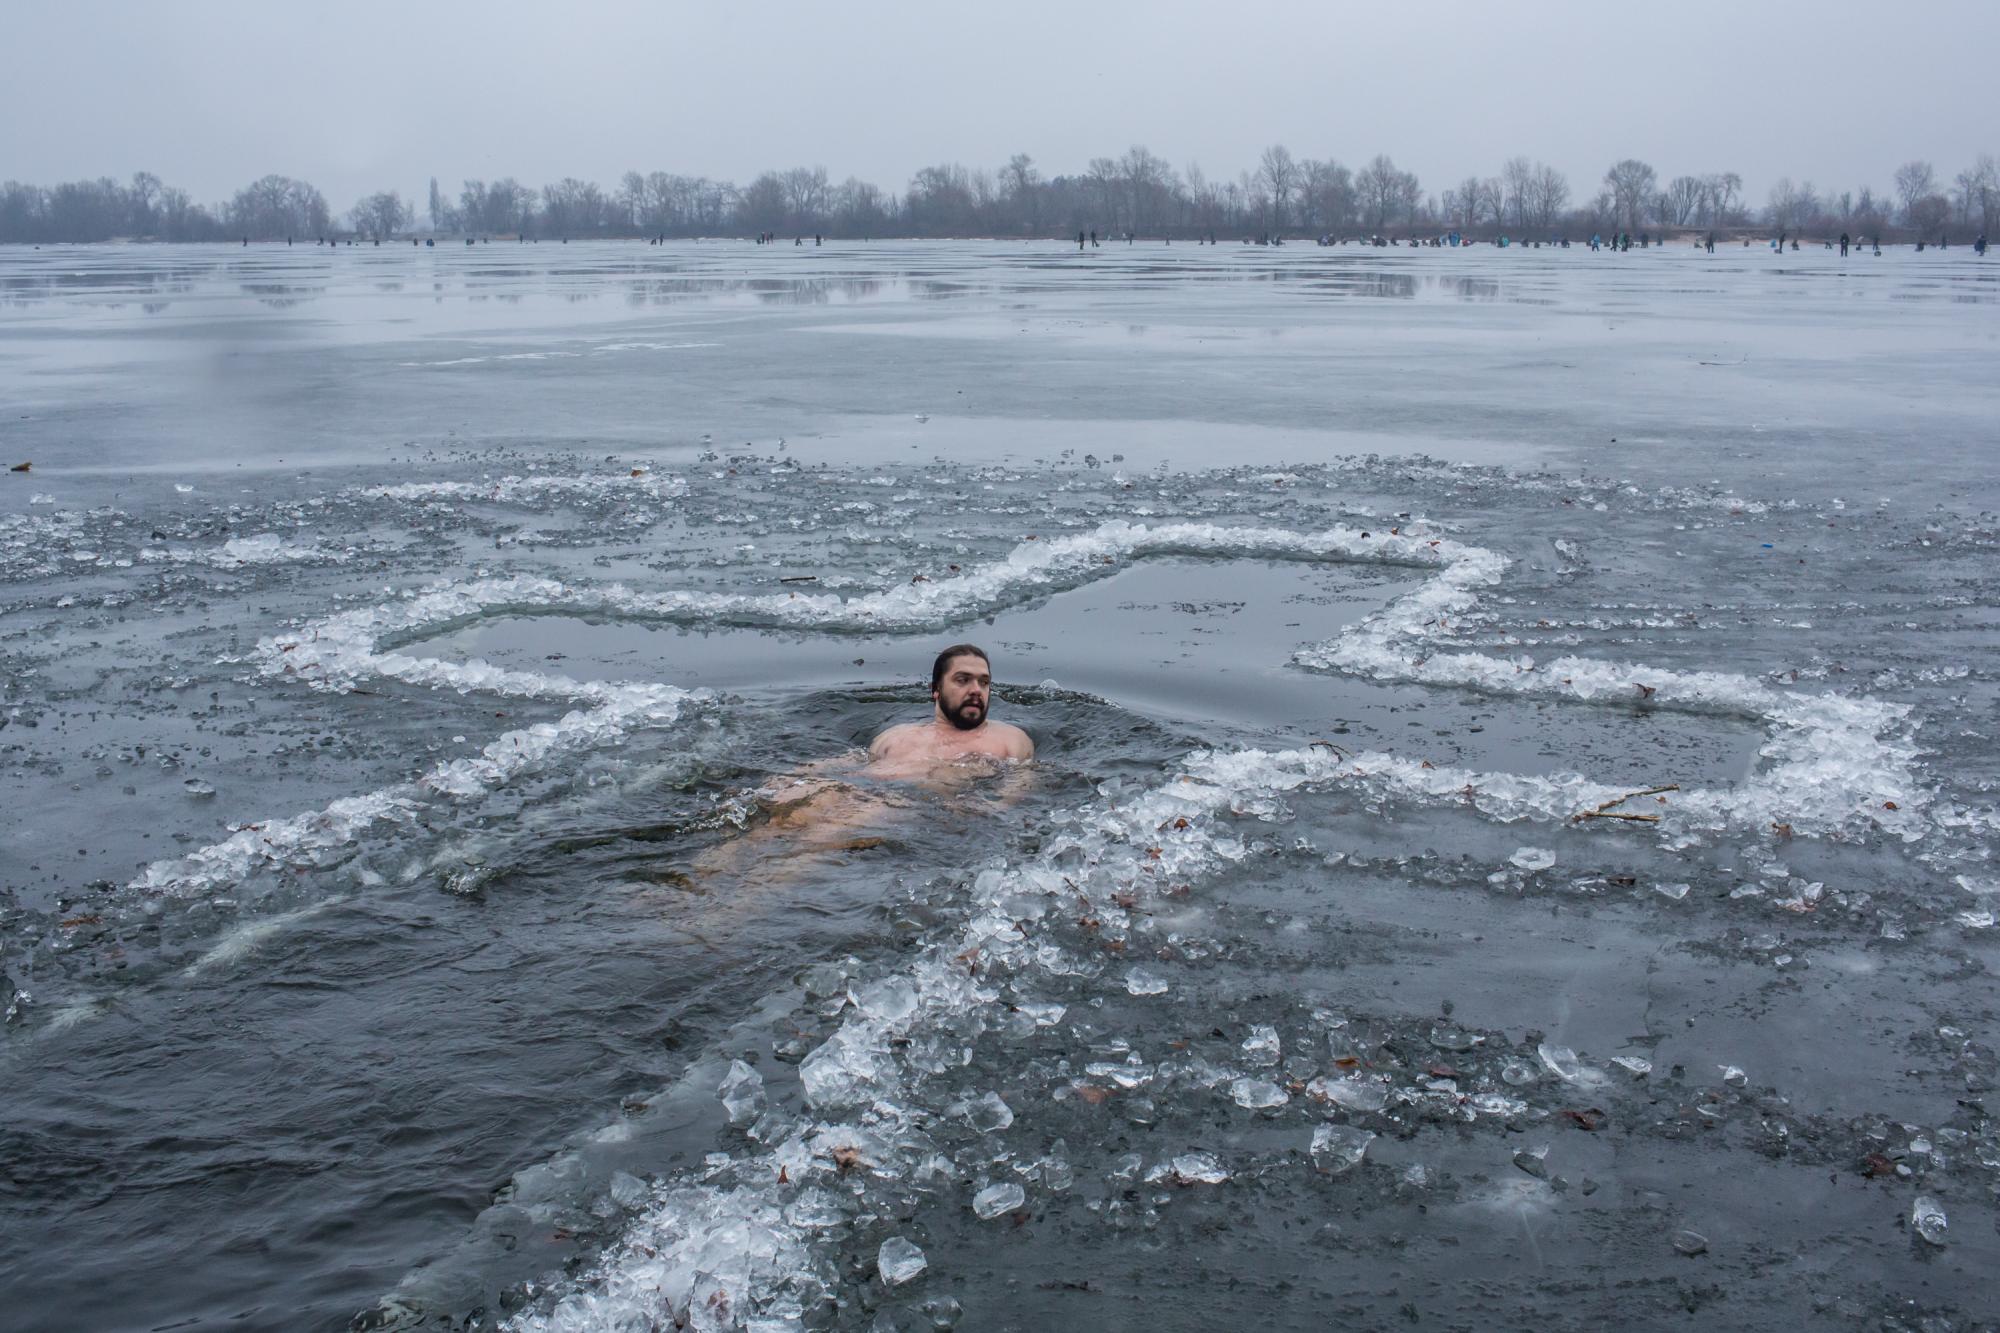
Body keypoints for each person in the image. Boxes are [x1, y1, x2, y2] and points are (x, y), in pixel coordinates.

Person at [687, 645, 1032, 884]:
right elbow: (849, 763)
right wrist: (793, 778)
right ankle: (681, 888)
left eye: (984, 682)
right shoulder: (897, 735)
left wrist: (990, 806)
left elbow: (1019, 785)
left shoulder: (1008, 740)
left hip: (895, 802)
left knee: (806, 848)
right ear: (935, 690)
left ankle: (730, 913)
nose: (976, 689)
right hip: (852, 786)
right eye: (963, 680)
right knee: (762, 824)